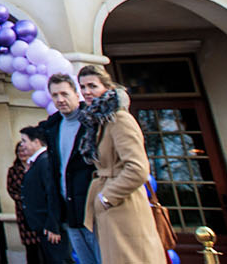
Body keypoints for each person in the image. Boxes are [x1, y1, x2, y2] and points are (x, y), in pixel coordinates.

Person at [78, 65, 165, 264]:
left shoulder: (119, 119)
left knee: (133, 258)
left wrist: (107, 197)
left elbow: (138, 169)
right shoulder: (99, 121)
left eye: (92, 86)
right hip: (112, 205)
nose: (86, 92)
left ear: (107, 88)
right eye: (83, 87)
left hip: (125, 205)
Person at [40, 72, 102, 264]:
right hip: (70, 213)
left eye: (64, 94)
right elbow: (54, 176)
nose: (60, 100)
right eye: (55, 95)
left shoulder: (94, 122)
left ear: (77, 94)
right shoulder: (52, 128)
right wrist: (55, 218)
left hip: (96, 211)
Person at [19, 126, 73, 263]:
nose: (22, 145)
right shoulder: (35, 163)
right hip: (42, 226)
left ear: (36, 142)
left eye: (24, 141)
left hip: (50, 227)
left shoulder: (45, 161)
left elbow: (52, 193)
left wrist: (53, 225)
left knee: (59, 259)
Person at [5, 140, 42, 263]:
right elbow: (11, 190)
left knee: (44, 248)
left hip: (40, 211)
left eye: (24, 150)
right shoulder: (13, 171)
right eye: (19, 151)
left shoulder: (37, 166)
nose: (22, 153)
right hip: (24, 212)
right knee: (31, 250)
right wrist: (25, 199)